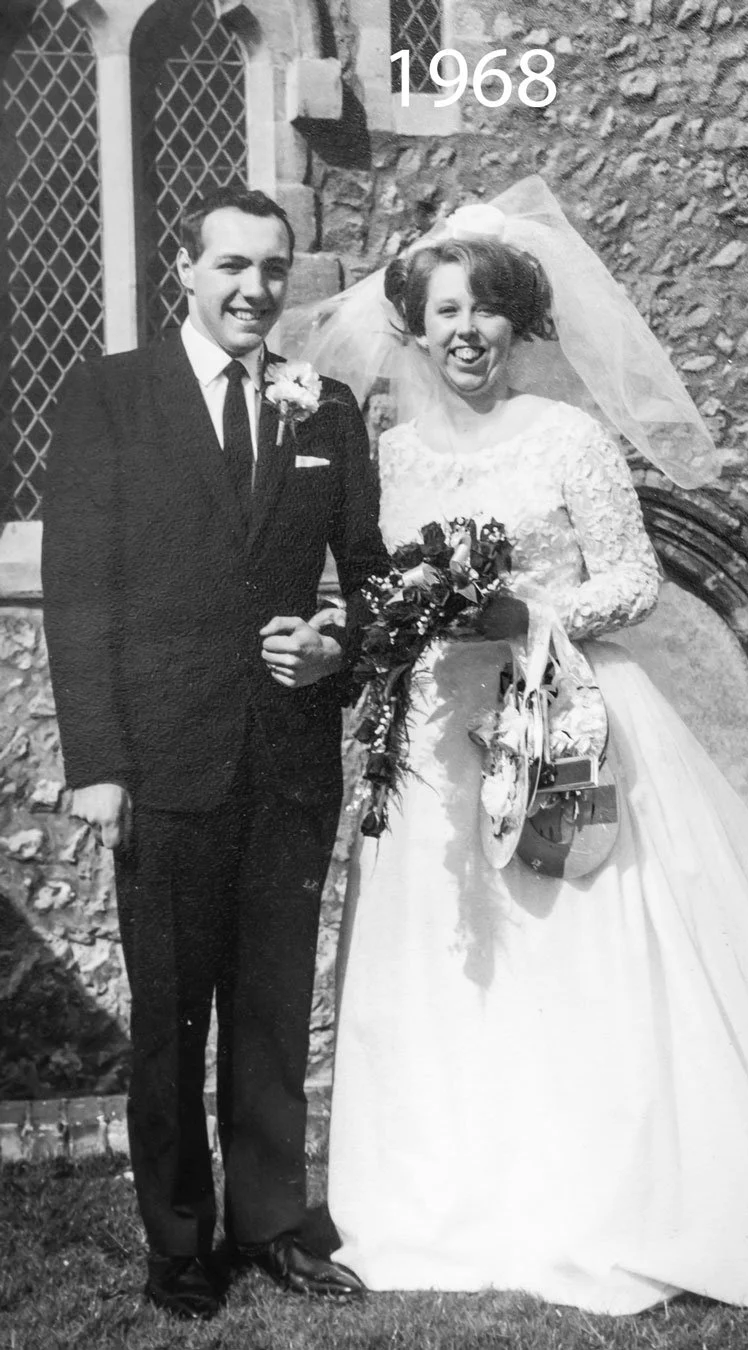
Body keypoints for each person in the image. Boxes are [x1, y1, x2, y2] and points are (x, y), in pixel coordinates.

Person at [289, 179, 748, 1314]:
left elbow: (634, 579)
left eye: (486, 311)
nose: (466, 333)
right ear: (413, 327)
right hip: (434, 745)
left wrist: (530, 615)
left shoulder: (566, 439)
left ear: (518, 323)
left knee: (575, 942)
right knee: (445, 952)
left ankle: (599, 1190)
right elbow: (377, 588)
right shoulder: (393, 454)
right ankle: (437, 1194)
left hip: (561, 719)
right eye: (444, 313)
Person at [42, 186, 389, 1319]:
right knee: (171, 1013)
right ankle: (180, 1239)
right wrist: (99, 763)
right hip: (162, 760)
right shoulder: (109, 397)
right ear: (183, 273)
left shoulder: (323, 408)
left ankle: (274, 1224)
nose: (254, 290)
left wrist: (336, 643)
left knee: (274, 1006)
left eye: (273, 269)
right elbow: (78, 593)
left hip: (289, 758)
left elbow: (373, 579)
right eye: (231, 266)